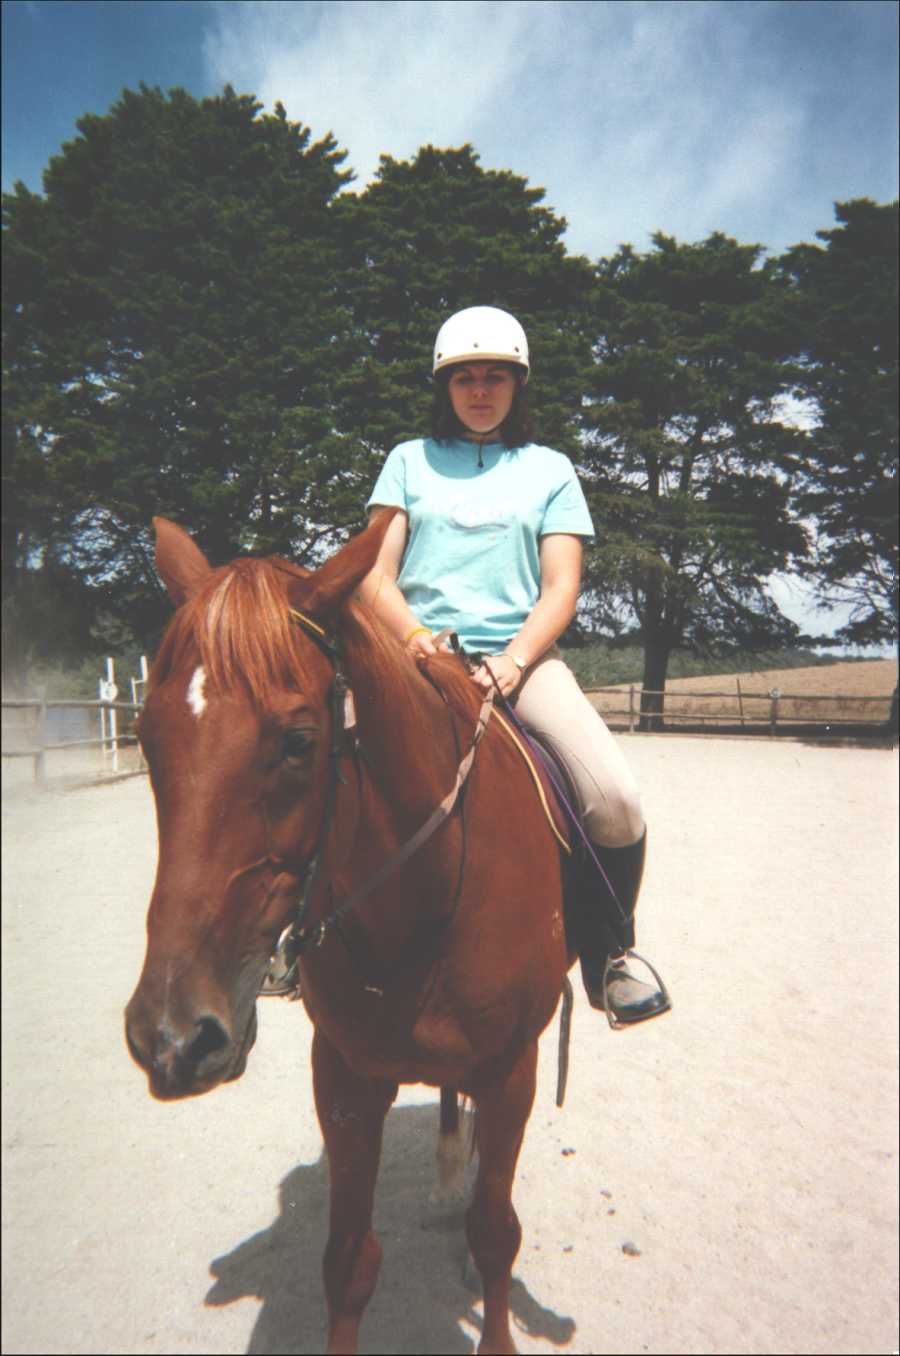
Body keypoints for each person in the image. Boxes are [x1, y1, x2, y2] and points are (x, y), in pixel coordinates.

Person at [360, 306, 670, 1027]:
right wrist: (415, 639)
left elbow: (561, 587)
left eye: (494, 376)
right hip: (415, 658)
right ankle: (291, 939)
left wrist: (515, 659)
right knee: (314, 758)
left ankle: (611, 956)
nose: (479, 390)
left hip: (522, 662)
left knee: (616, 797)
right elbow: (375, 575)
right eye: (464, 377)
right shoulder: (407, 460)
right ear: (445, 387)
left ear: (517, 384)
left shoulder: (551, 469)